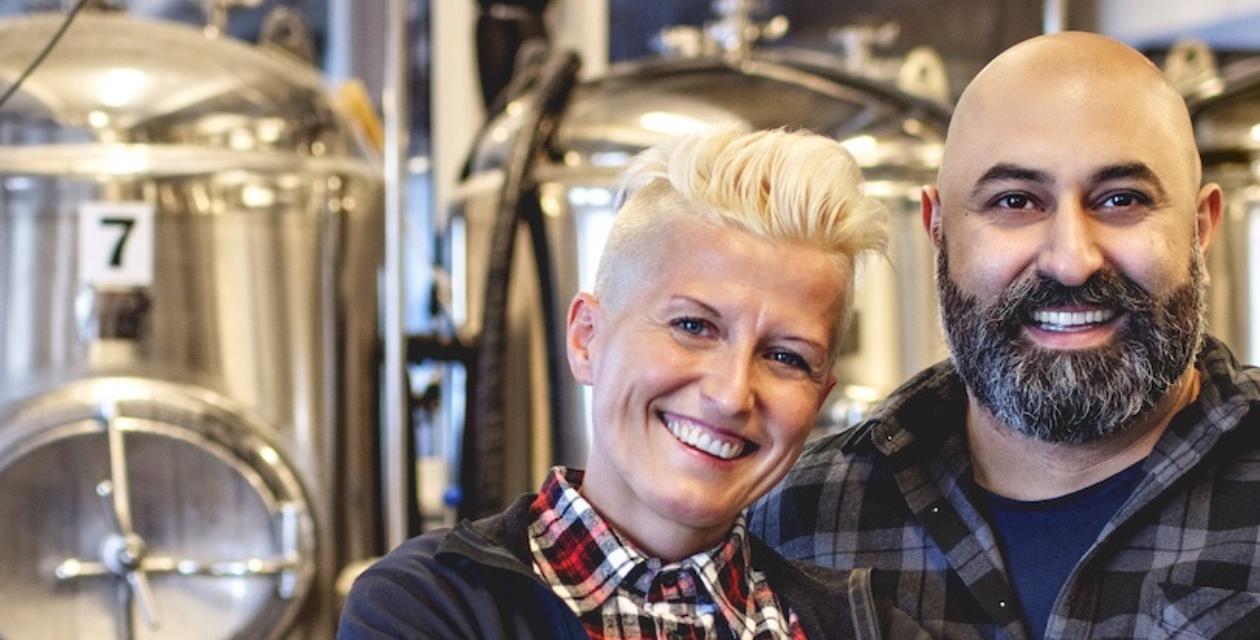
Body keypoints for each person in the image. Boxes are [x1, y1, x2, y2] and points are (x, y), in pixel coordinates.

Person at [750, 33, 1260, 639]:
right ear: (937, 229)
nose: (1071, 260)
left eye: (1121, 200)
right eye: (1014, 202)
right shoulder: (799, 520)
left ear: (1202, 226)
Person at [340, 126, 901, 639]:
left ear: (820, 399)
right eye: (693, 327)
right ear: (587, 338)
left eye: (785, 357)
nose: (731, 395)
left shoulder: (874, 628)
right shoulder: (425, 606)